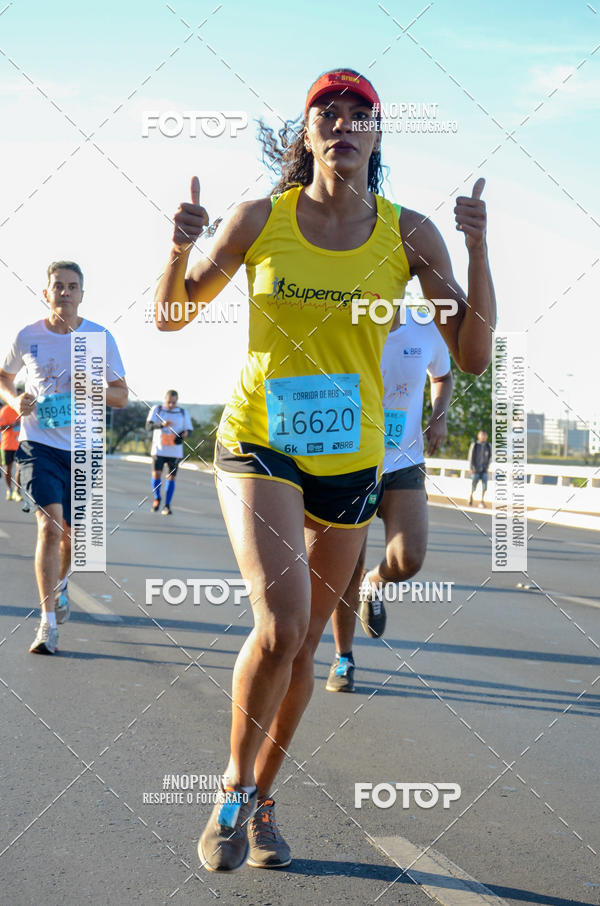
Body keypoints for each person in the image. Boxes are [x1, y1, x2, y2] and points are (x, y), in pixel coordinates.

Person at [154, 67, 495, 872]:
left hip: (352, 460)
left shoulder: (409, 234)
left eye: (359, 115)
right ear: (305, 137)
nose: (342, 124)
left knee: (305, 645)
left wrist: (479, 246)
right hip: (259, 442)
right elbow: (172, 316)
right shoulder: (257, 218)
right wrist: (179, 245)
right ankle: (233, 789)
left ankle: (263, 801)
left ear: (377, 137)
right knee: (279, 623)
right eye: (326, 114)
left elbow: (473, 356)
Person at [0, 261, 128, 655]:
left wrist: (93, 388)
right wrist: (13, 398)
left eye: (73, 286)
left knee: (72, 537)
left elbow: (121, 396)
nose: (66, 292)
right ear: (46, 292)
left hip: (85, 448)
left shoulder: (98, 337)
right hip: (39, 445)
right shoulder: (28, 335)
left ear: (82, 294)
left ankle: (62, 583)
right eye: (59, 286)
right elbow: (3, 377)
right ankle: (47, 623)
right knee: (49, 528)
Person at [326, 305, 452, 692]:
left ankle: (374, 583)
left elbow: (443, 376)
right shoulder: (346, 320)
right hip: (351, 459)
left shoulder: (425, 327)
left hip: (405, 459)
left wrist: (438, 416)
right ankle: (343, 658)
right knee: (345, 569)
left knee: (408, 558)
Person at [146, 390, 193, 515]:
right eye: (169, 402)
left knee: (171, 477)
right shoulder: (158, 409)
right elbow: (148, 426)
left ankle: (167, 505)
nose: (171, 405)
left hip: (175, 451)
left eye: (174, 402)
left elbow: (189, 430)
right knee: (156, 474)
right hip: (159, 449)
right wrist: (161, 425)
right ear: (164, 399)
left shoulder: (182, 412)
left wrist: (184, 434)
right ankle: (157, 498)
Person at [0, 401, 20, 501]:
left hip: (20, 444)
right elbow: (1, 427)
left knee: (19, 468)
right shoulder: (4, 410)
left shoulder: (21, 408)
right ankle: (10, 490)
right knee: (7, 469)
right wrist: (12, 425)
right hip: (7, 445)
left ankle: (17, 491)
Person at [468, 429, 492, 507]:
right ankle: (470, 496)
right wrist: (471, 467)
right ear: (479, 436)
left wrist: (487, 466)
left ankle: (482, 500)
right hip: (475, 469)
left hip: (484, 469)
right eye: (482, 435)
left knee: (485, 485)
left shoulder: (488, 446)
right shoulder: (475, 445)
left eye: (485, 435)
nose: (483, 437)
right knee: (473, 485)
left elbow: (490, 457)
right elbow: (470, 457)